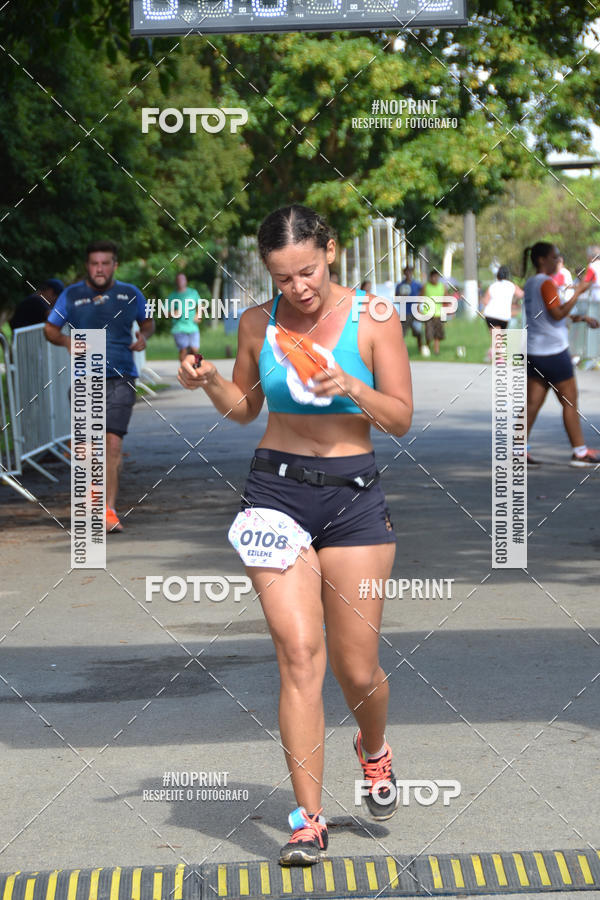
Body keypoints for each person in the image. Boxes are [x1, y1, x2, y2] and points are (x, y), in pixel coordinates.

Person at [178, 205, 413, 866]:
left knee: (356, 667)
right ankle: (308, 820)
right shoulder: (259, 323)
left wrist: (352, 388)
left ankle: (373, 750)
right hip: (274, 495)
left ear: (329, 251)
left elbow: (399, 417)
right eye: (283, 279)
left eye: (306, 271)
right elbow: (244, 409)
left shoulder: (374, 320)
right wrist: (209, 382)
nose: (298, 288)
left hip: (354, 501)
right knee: (299, 651)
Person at [44, 240, 154, 532]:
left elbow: (148, 323)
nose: (100, 269)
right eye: (94, 263)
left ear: (115, 265)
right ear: (87, 266)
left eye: (105, 263)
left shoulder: (130, 294)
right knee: (88, 449)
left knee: (113, 445)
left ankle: (108, 511)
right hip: (85, 378)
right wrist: (67, 340)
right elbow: (49, 329)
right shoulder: (72, 295)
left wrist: (144, 336)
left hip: (121, 377)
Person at [522, 242, 599, 467]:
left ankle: (518, 451)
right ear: (542, 260)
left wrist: (581, 318)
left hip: (535, 352)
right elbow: (556, 314)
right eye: (554, 257)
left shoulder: (530, 284)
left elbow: (547, 314)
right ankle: (580, 452)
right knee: (570, 402)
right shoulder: (546, 283)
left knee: (532, 404)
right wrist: (578, 292)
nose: (558, 260)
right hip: (554, 353)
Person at [481, 266, 524, 361]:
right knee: (498, 336)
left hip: (491, 314)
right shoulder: (512, 285)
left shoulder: (493, 286)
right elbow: (522, 295)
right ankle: (496, 354)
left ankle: (495, 355)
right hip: (504, 316)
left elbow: (485, 301)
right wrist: (515, 303)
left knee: (496, 337)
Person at [167, 273, 202, 362]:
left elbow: (200, 305)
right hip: (179, 328)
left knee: (194, 350)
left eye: (182, 279)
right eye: (178, 280)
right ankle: (184, 370)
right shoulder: (172, 296)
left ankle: (192, 368)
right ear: (176, 282)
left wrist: (198, 315)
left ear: (186, 281)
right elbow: (164, 312)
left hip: (192, 326)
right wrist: (173, 313)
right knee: (183, 349)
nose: (180, 282)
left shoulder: (193, 293)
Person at [395, 265, 423, 352]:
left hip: (415, 311)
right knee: (402, 333)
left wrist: (419, 306)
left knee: (418, 331)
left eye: (410, 272)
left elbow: (422, 294)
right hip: (405, 312)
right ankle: (399, 350)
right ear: (404, 273)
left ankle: (420, 348)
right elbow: (396, 298)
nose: (408, 274)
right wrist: (401, 296)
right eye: (406, 272)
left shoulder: (417, 285)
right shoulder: (400, 285)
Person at [421, 269, 447, 356]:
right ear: (430, 278)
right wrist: (418, 308)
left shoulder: (442, 286)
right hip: (427, 313)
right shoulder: (426, 286)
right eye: (433, 277)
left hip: (439, 313)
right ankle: (427, 346)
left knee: (437, 334)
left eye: (437, 277)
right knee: (429, 333)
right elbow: (419, 297)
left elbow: (446, 298)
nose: (435, 279)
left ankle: (436, 350)